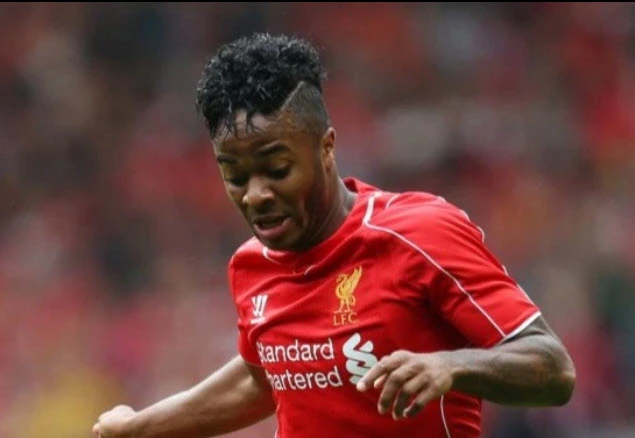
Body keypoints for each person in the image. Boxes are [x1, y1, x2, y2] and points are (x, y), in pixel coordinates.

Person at [93, 33, 576, 438]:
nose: (255, 195)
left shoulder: (418, 233)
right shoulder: (250, 266)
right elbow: (264, 379)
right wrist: (139, 427)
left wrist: (450, 367)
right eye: (235, 176)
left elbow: (553, 368)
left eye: (277, 170)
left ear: (326, 147)